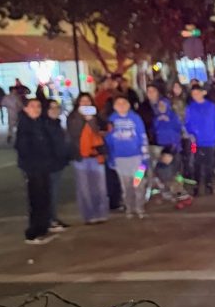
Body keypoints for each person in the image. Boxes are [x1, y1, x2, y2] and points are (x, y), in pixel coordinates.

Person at [14, 99, 56, 245]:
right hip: (33, 168)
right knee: (36, 199)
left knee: (44, 197)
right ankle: (33, 232)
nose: (36, 109)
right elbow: (23, 148)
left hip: (43, 166)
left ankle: (43, 227)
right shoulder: (25, 125)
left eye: (38, 106)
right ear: (25, 109)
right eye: (32, 106)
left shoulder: (40, 123)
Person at [67, 93, 109, 225]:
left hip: (96, 156)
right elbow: (74, 132)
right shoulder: (73, 117)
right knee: (84, 188)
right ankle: (88, 215)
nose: (85, 104)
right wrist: (82, 117)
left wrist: (91, 119)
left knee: (100, 187)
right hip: (81, 156)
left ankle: (101, 213)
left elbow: (101, 131)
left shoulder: (98, 116)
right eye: (82, 101)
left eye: (88, 101)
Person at [105, 97, 150, 219]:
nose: (121, 105)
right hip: (120, 159)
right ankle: (129, 208)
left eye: (124, 102)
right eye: (118, 103)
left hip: (137, 158)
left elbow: (142, 136)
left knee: (139, 184)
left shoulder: (136, 118)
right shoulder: (111, 120)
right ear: (114, 106)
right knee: (126, 186)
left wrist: (145, 156)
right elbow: (108, 140)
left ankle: (140, 208)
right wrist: (110, 156)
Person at [184, 84, 215, 195]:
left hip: (209, 140)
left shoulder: (211, 106)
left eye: (197, 93)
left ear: (201, 93)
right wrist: (191, 134)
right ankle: (197, 184)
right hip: (195, 141)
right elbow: (187, 123)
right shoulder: (190, 107)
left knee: (208, 163)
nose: (195, 96)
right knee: (196, 162)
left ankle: (208, 183)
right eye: (193, 94)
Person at [44, 100, 70, 232]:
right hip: (50, 165)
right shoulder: (45, 125)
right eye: (51, 108)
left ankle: (52, 218)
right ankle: (50, 220)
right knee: (50, 193)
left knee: (53, 193)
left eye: (57, 107)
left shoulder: (56, 124)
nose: (55, 110)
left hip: (57, 164)